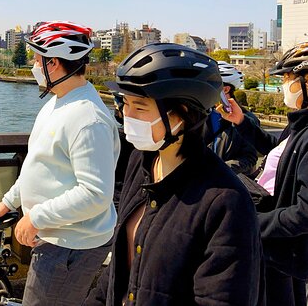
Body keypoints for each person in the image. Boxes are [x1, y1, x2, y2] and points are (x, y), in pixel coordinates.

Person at [87, 43, 263, 306]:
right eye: (124, 103)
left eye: (140, 107)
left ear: (182, 114)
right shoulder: (141, 162)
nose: (126, 115)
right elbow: (119, 273)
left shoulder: (225, 203)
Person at [0, 21, 120, 306]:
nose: (33, 65)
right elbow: (39, 164)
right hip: (56, 237)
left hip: (71, 245)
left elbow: (95, 194)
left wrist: (36, 217)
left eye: (36, 59)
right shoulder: (58, 103)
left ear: (53, 63)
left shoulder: (87, 119)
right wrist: (9, 202)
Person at [220, 42, 308, 305]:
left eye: (290, 78)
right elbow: (280, 155)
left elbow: (305, 213)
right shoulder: (300, 125)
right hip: (278, 248)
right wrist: (241, 122)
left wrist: (254, 223)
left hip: (284, 248)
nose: (285, 84)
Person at [204, 61, 259, 176]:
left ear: (226, 89)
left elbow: (249, 157)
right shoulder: (202, 114)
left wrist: (222, 169)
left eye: (212, 84)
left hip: (232, 185)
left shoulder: (247, 120)